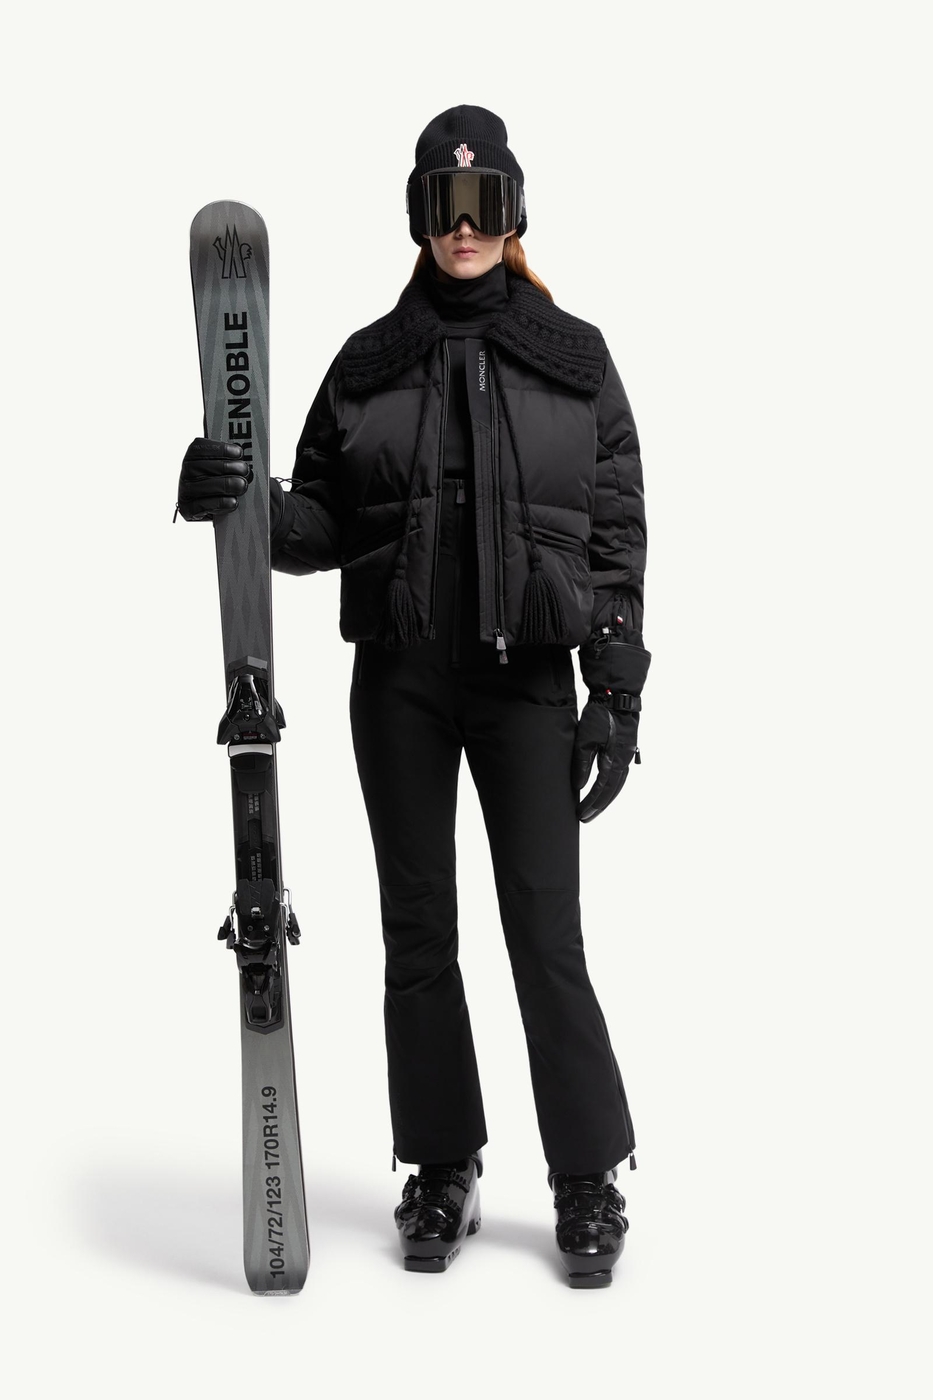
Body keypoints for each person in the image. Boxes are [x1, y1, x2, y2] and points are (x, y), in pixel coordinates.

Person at [177, 105, 651, 1289]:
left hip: (528, 683)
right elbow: (319, 526)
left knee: (545, 930)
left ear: (515, 212)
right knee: (418, 931)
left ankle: (587, 1174)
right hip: (401, 681)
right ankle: (443, 1164)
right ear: (419, 217)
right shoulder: (366, 365)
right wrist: (234, 495)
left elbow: (616, 535)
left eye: (485, 204)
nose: (465, 227)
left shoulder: (575, 359)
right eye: (446, 205)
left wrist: (615, 691)